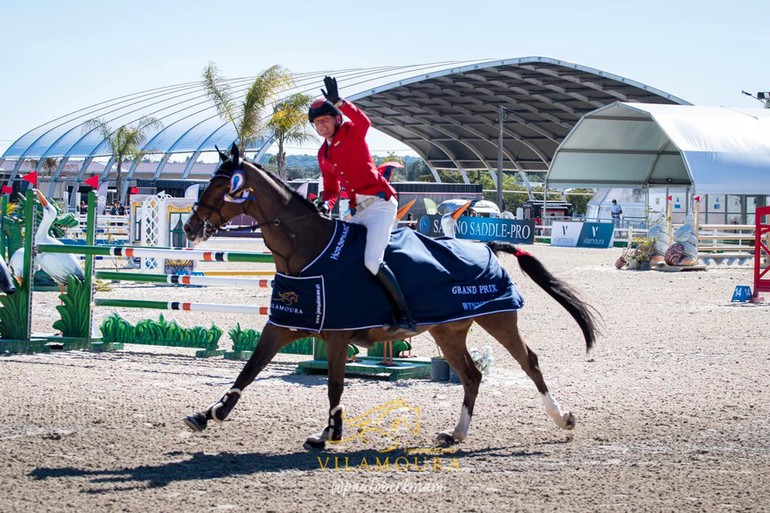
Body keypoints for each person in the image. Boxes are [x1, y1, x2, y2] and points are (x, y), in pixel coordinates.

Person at [308, 76, 416, 335]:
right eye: (316, 123)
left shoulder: (350, 131)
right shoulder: (323, 154)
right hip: (357, 210)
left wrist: (339, 102)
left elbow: (364, 121)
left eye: (325, 120)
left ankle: (405, 317)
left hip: (380, 205)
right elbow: (332, 189)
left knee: (371, 261)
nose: (321, 126)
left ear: (336, 119)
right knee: (344, 257)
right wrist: (325, 204)